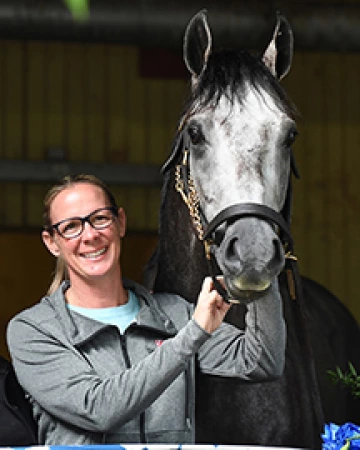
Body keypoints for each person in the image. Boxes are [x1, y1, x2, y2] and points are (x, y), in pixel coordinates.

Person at [6, 174, 286, 445]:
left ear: (121, 223)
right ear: (51, 242)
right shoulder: (34, 331)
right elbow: (97, 409)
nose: (90, 235)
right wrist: (193, 335)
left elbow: (261, 362)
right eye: (71, 227)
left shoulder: (175, 314)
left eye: (100, 219)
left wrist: (260, 264)